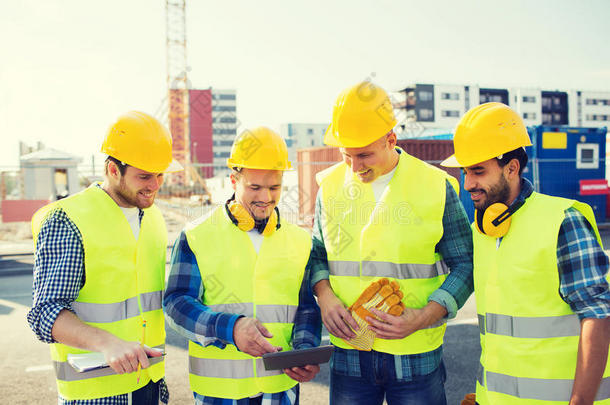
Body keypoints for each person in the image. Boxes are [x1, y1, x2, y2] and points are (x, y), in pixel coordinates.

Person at [309, 81, 474, 405]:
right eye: (346, 156)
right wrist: (325, 295)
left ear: (391, 139)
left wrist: (424, 315)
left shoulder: (435, 185)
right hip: (350, 349)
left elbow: (466, 264)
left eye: (365, 155)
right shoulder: (329, 187)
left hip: (415, 350)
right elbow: (316, 254)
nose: (355, 167)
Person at [441, 102, 610, 404]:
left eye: (478, 171)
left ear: (512, 168)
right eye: (465, 172)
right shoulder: (480, 231)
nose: (468, 184)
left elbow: (598, 314)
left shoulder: (562, 221)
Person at [27, 111, 182, 404]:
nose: (155, 185)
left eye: (160, 174)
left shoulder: (154, 218)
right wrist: (106, 342)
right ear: (113, 170)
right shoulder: (68, 219)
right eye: (145, 176)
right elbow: (44, 314)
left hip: (147, 382)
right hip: (94, 393)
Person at [163, 127, 322, 404]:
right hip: (220, 393)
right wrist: (230, 328)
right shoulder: (197, 236)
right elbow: (176, 304)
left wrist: (305, 350)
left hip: (280, 388)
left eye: (274, 187)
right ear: (233, 180)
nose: (265, 197)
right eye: (255, 187)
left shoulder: (299, 241)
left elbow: (307, 306)